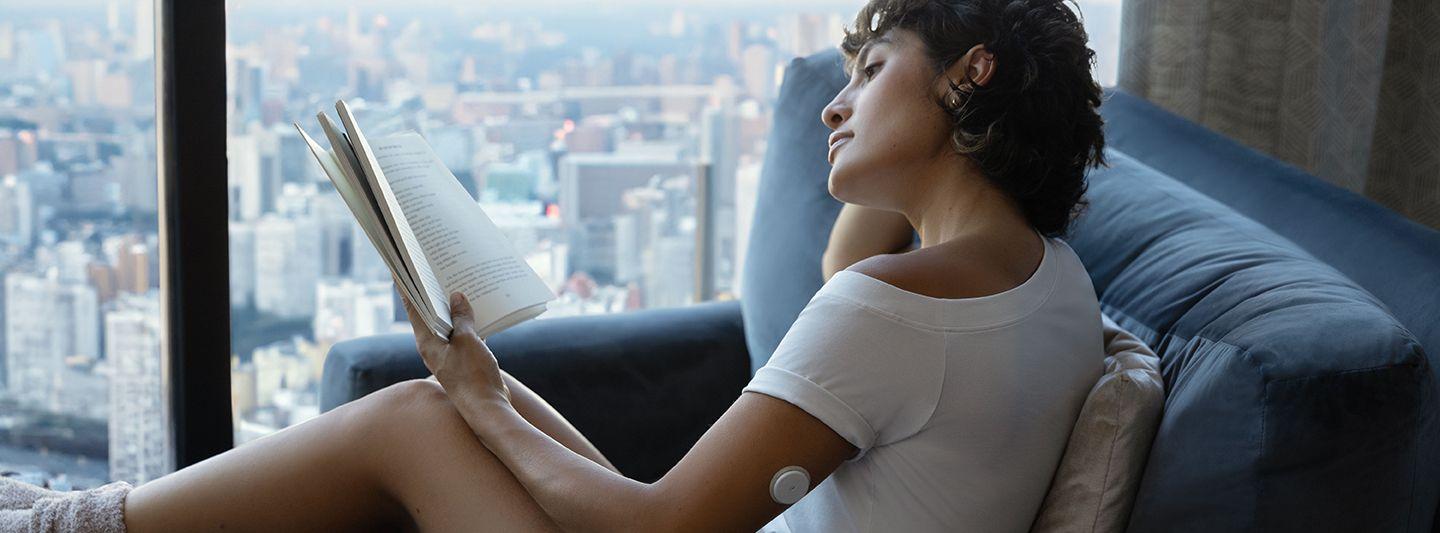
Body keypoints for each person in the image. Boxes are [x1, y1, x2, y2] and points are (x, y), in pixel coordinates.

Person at [2, 0, 1108, 531]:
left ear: (970, 72)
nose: (835, 101)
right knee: (459, 396)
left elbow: (660, 529)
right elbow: (843, 272)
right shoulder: (1047, 277)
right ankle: (78, 517)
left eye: (870, 69)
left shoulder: (895, 309)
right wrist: (483, 393)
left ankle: (69, 524)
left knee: (422, 415)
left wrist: (483, 398)